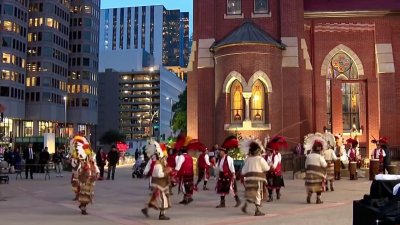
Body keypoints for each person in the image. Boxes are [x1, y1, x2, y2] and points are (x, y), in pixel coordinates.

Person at [70, 135, 99, 215]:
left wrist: (96, 171)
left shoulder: (90, 154)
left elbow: (94, 163)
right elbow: (74, 165)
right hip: (83, 177)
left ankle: (83, 206)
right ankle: (83, 208)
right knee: (84, 193)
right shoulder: (78, 155)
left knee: (88, 193)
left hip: (90, 177)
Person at [141, 149, 173, 220]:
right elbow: (159, 174)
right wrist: (167, 172)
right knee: (163, 199)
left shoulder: (156, 163)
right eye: (164, 158)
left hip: (157, 184)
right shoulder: (158, 165)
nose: (165, 160)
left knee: (154, 198)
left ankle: (146, 208)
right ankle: (162, 215)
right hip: (159, 185)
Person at [241, 141, 270, 216]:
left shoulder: (248, 160)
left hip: (249, 179)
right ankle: (257, 210)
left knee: (250, 193)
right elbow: (266, 168)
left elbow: (243, 171)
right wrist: (270, 165)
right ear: (258, 151)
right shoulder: (260, 159)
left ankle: (245, 205)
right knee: (258, 194)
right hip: (258, 179)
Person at [215, 136, 241, 208]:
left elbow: (231, 167)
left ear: (224, 152)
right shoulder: (220, 159)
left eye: (221, 151)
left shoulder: (229, 158)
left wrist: (233, 175)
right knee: (221, 189)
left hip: (228, 176)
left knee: (231, 188)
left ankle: (237, 200)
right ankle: (222, 203)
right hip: (222, 175)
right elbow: (217, 166)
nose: (220, 152)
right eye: (220, 151)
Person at [264, 136, 287, 202]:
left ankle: (277, 193)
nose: (266, 152)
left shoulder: (276, 156)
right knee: (269, 185)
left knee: (277, 184)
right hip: (269, 172)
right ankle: (270, 196)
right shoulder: (265, 157)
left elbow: (274, 165)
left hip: (276, 172)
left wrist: (269, 165)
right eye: (266, 151)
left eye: (267, 151)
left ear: (271, 151)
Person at [305, 138, 327, 204]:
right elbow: (324, 165)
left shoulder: (308, 156)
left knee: (311, 186)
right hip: (318, 176)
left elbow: (305, 166)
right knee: (319, 186)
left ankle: (309, 194)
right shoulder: (320, 157)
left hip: (309, 176)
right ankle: (318, 199)